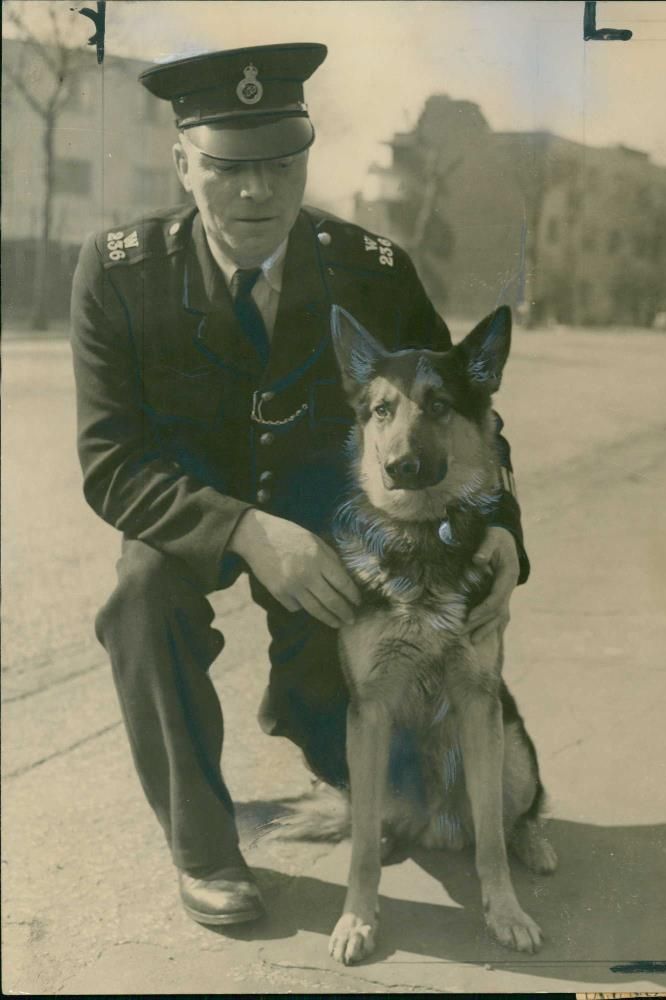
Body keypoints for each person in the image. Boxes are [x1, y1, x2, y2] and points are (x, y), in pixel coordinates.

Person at [70, 43, 530, 927]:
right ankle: (204, 850)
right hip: (191, 517)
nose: (256, 191)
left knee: (363, 748)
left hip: (338, 533)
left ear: (305, 160)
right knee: (141, 602)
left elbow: (469, 412)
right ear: (182, 164)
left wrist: (505, 526)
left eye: (280, 164)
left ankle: (314, 724)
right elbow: (110, 462)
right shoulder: (120, 273)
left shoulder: (372, 269)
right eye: (228, 167)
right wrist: (244, 529)